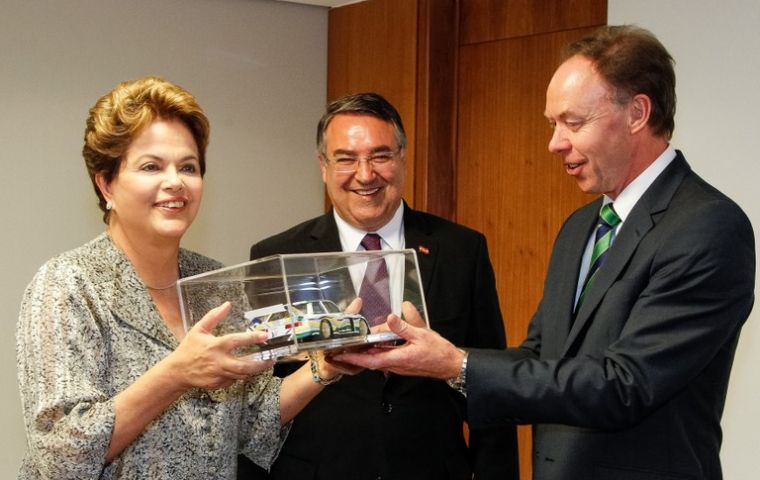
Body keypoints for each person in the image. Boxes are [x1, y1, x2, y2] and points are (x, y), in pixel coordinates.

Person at [336, 25, 756, 480]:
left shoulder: (707, 226)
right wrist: (441, 355)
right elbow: (542, 359)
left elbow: (625, 385)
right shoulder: (580, 227)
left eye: (573, 123)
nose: (554, 143)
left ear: (637, 112)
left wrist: (458, 365)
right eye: (552, 124)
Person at [15, 76, 353, 480]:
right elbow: (61, 455)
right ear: (106, 184)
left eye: (188, 167)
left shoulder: (212, 282)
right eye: (151, 166)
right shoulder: (67, 284)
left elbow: (253, 419)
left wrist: (324, 366)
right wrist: (175, 374)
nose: (175, 181)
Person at [238, 93, 519, 479]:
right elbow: (258, 401)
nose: (365, 174)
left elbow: (491, 383)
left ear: (402, 157)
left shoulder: (462, 250)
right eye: (346, 159)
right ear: (323, 166)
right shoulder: (278, 258)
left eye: (381, 156)